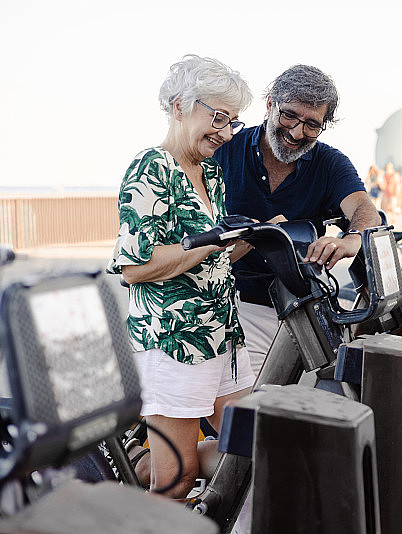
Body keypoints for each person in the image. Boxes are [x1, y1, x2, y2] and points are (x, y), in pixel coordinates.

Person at [106, 55, 254, 499]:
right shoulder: (150, 168)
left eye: (233, 122)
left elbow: (211, 257)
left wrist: (256, 237)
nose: (226, 133)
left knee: (248, 449)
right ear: (179, 106)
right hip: (173, 343)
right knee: (176, 483)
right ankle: (138, 487)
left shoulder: (211, 173)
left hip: (223, 339)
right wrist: (213, 240)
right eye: (218, 118)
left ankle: (139, 471)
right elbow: (136, 266)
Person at [214, 64, 380, 375]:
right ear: (269, 104)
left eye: (312, 125)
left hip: (300, 306)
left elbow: (364, 209)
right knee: (251, 409)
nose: (296, 132)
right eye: (289, 115)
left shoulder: (330, 163)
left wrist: (352, 240)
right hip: (232, 301)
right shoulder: (225, 149)